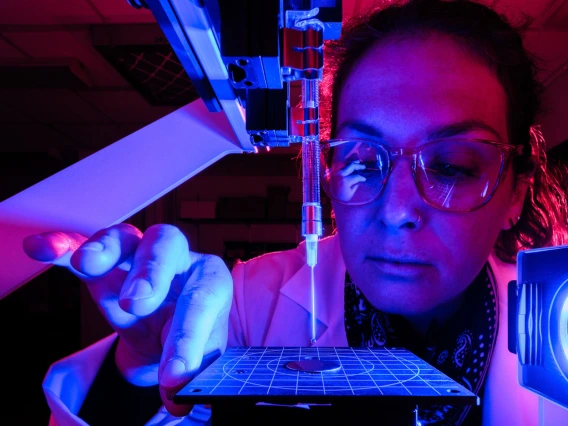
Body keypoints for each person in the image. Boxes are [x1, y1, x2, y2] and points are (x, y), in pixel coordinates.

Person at [23, 0, 568, 424]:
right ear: (325, 174)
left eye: (451, 166)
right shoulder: (244, 306)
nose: (396, 211)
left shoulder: (560, 340)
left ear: (515, 192)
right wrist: (140, 366)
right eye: (361, 161)